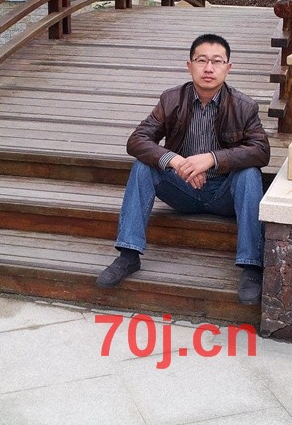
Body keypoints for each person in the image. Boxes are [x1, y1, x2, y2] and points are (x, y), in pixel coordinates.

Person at [96, 33, 270, 305]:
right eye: (201, 60)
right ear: (189, 66)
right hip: (184, 189)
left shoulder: (243, 106)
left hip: (225, 193)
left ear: (228, 67)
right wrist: (176, 161)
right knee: (143, 166)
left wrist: (212, 159)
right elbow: (137, 140)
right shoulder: (171, 100)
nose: (208, 68)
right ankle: (128, 255)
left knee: (249, 174)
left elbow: (261, 151)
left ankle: (251, 266)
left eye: (217, 61)